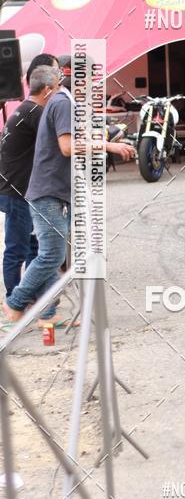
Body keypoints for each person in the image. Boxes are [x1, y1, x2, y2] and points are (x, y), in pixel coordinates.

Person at [2, 77, 136, 327]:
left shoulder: (60, 103)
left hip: (51, 191)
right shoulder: (63, 102)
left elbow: (73, 142)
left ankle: (46, 314)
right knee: (50, 255)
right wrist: (108, 146)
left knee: (51, 254)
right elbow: (66, 147)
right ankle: (16, 301)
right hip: (44, 192)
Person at [0, 66, 60, 301]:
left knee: (35, 245)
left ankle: (34, 296)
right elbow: (62, 143)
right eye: (56, 88)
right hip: (17, 191)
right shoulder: (35, 113)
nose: (57, 93)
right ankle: (14, 299)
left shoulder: (24, 109)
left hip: (21, 189)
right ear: (46, 90)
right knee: (18, 247)